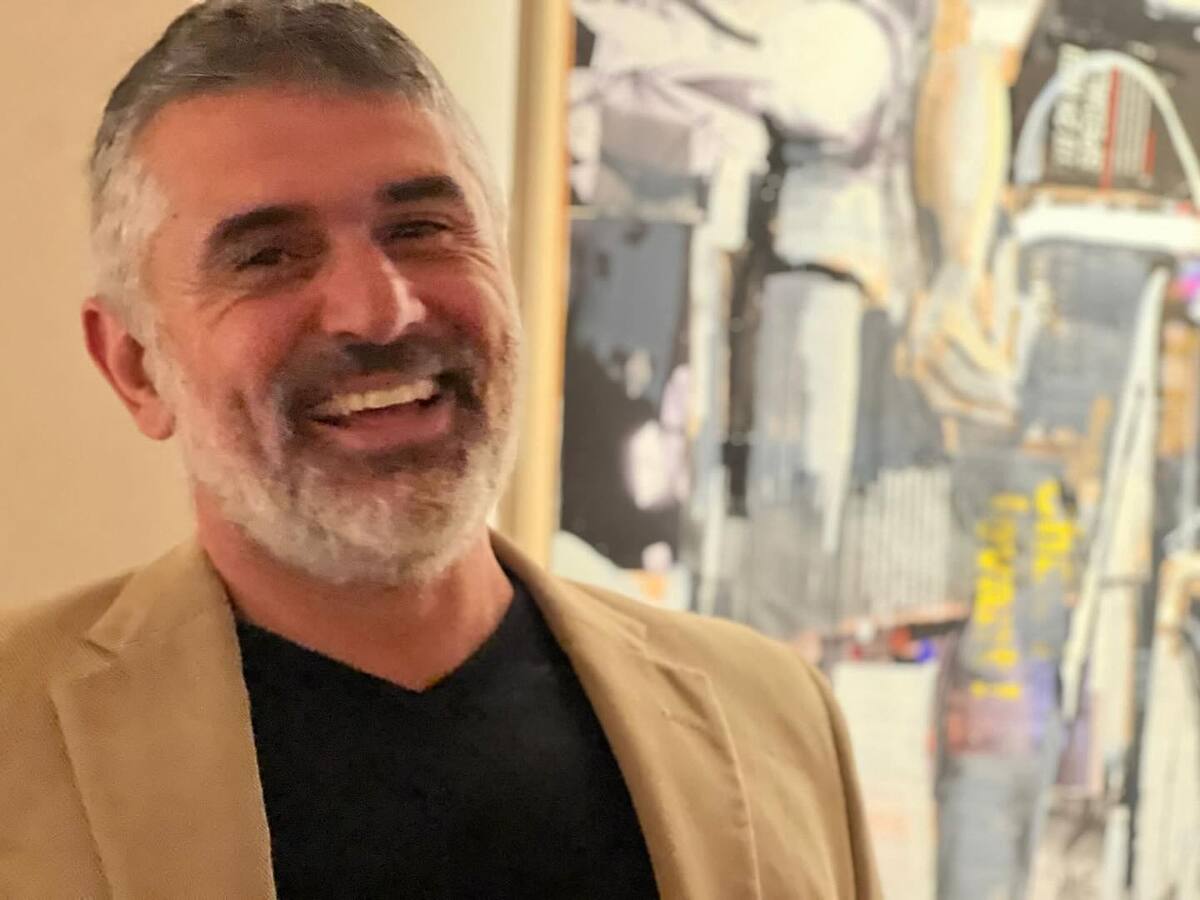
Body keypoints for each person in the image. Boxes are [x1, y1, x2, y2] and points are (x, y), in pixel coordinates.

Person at [0, 2, 881, 896]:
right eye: (267, 256)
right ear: (135, 367)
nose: (381, 311)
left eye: (420, 229)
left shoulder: (773, 718)